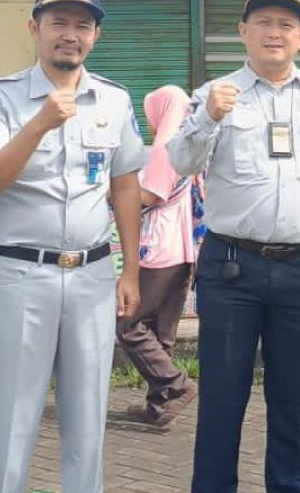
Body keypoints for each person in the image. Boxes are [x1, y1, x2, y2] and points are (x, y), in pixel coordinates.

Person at [169, 0, 300, 493]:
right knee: (222, 399)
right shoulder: (214, 95)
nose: (274, 33)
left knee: (293, 399)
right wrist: (209, 117)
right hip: (232, 269)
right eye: (263, 22)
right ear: (243, 32)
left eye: (285, 24)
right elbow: (180, 163)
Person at [0, 0, 148, 493]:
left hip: (92, 275)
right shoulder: (2, 97)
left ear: (95, 36)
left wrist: (129, 268)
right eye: (58, 23)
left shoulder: (113, 99)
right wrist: (39, 124)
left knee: (89, 416)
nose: (70, 35)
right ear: (35, 29)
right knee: (12, 419)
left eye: (82, 25)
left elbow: (125, 184)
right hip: (21, 275)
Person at [117, 84, 200, 429]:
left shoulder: (168, 146)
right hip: (184, 248)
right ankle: (159, 407)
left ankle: (175, 385)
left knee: (127, 324)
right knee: (160, 331)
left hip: (161, 247)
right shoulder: (190, 144)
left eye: (152, 113)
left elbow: (150, 195)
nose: (150, 122)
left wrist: (113, 194)